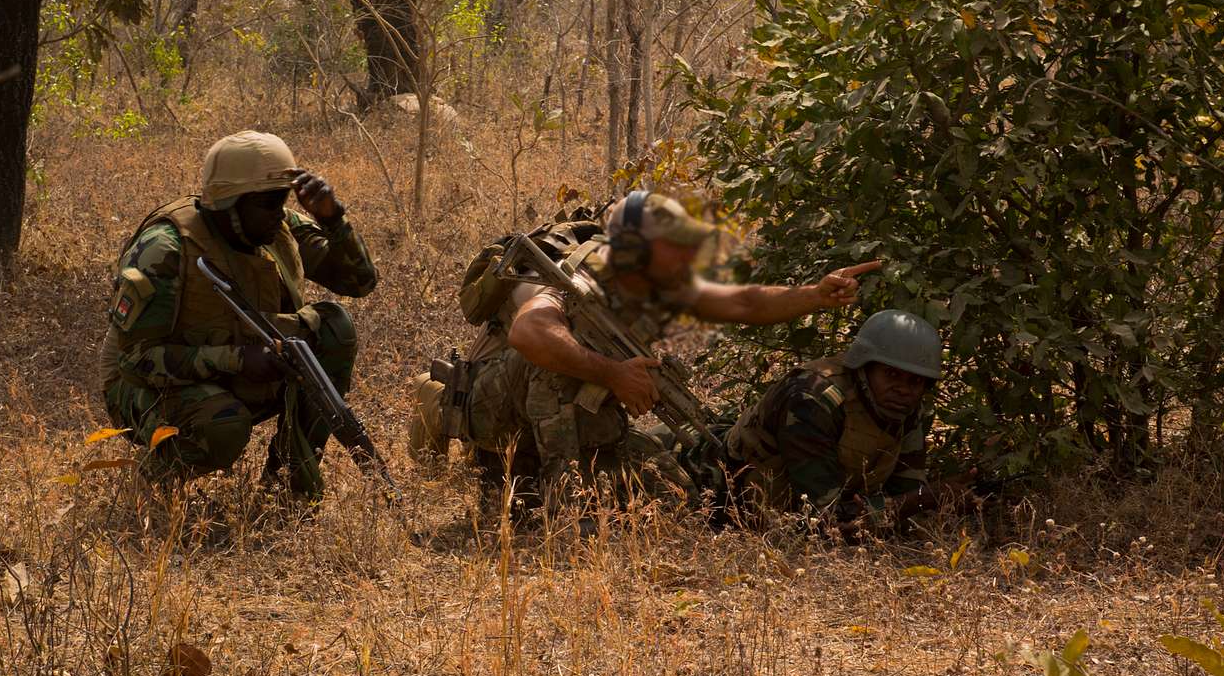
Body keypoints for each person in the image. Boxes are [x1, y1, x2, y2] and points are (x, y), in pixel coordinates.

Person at [410, 190, 880, 517]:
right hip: (497, 407)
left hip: (560, 417)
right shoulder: (579, 282)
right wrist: (615, 375)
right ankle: (560, 504)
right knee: (557, 369)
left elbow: (744, 302)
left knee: (673, 491)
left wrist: (815, 294)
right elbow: (531, 333)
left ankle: (538, 477)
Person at [98, 131, 377, 500]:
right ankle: (150, 485)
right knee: (223, 425)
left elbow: (359, 282)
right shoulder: (166, 249)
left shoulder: (278, 228)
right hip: (145, 388)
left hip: (240, 364)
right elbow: (135, 361)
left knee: (333, 327)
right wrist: (236, 360)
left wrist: (333, 218)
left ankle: (288, 481)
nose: (279, 212)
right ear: (229, 203)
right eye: (268, 203)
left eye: (283, 200)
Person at [689, 309, 971, 533]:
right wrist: (926, 497)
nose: (904, 389)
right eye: (892, 375)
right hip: (698, 473)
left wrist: (943, 497)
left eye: (915, 381)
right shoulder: (812, 399)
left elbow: (903, 498)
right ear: (864, 368)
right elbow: (826, 519)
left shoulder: (906, 408)